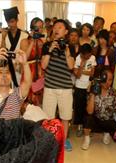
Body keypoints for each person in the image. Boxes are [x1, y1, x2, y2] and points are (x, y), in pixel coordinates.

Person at [41, 19, 76, 151]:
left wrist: (67, 53)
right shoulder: (47, 45)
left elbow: (71, 66)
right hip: (50, 87)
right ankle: (49, 141)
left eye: (60, 27)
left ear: (66, 31)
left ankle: (64, 141)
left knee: (65, 117)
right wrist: (50, 50)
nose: (56, 29)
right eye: (55, 27)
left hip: (65, 88)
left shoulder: (70, 47)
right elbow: (44, 66)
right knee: (48, 117)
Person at [81, 68, 116, 150]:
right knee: (87, 117)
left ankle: (106, 133)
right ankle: (87, 138)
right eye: (106, 79)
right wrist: (93, 94)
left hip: (108, 120)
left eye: (110, 80)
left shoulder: (114, 93)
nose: (108, 82)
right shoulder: (94, 89)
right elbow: (89, 111)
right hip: (95, 120)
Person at [21, 17, 47, 106]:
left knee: (40, 97)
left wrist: (44, 43)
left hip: (40, 71)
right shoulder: (25, 41)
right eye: (37, 27)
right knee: (28, 96)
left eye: (41, 27)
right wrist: (32, 41)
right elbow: (25, 57)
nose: (39, 30)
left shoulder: (43, 41)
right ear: (32, 28)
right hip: (29, 70)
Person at [73, 44, 96, 137]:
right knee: (79, 108)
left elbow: (92, 73)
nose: (89, 56)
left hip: (89, 86)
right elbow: (77, 76)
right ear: (83, 54)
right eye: (88, 54)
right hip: (79, 86)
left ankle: (88, 127)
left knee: (89, 108)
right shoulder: (78, 58)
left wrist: (80, 70)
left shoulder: (93, 57)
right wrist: (82, 65)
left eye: (90, 54)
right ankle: (80, 126)